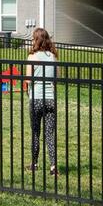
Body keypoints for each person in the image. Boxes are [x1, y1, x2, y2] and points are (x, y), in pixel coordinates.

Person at [25, 27, 59, 176]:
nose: (32, 41)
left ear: (37, 40)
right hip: (50, 99)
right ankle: (53, 167)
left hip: (36, 98)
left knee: (36, 133)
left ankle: (34, 164)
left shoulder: (32, 57)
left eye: (33, 38)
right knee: (49, 134)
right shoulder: (53, 57)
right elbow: (56, 78)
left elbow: (27, 79)